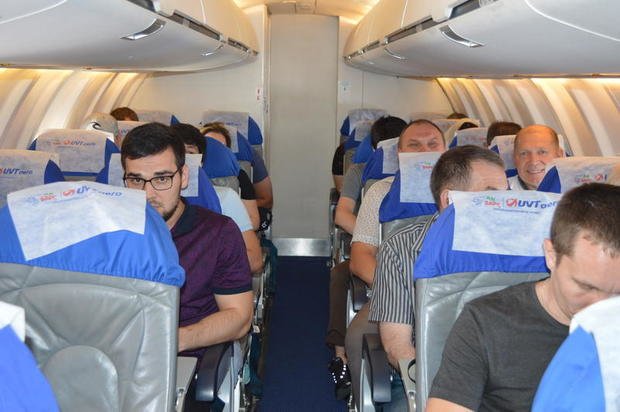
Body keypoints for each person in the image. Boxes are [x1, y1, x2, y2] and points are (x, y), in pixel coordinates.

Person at [427, 183, 620, 411]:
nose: (601, 306)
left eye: (617, 293)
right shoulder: (485, 323)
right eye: (585, 287)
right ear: (551, 255)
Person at [367, 145, 508, 409]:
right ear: (449, 199)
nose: (503, 205)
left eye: (506, 195)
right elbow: (397, 345)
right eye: (491, 195)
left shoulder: (519, 248)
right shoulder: (401, 247)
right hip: (428, 379)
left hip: (506, 381)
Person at [120, 122, 253, 365]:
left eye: (162, 179)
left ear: (184, 177)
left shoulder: (218, 233)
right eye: (136, 180)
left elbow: (239, 317)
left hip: (187, 360)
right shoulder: (111, 234)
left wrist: (174, 340)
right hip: (118, 355)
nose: (148, 194)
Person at [333, 119, 446, 405]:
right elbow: (360, 258)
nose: (424, 151)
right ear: (399, 153)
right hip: (393, 290)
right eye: (414, 145)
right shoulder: (381, 192)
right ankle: (361, 399)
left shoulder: (464, 194)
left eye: (432, 144)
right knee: (357, 336)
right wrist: (404, 290)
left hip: (450, 293)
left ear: (446, 151)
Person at [171, 123, 263, 274]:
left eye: (190, 153)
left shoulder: (225, 198)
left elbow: (254, 261)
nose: (184, 160)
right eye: (177, 152)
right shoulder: (152, 201)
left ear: (201, 162)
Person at [202, 122, 273, 227]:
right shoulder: (188, 175)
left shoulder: (240, 176)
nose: (215, 151)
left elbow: (254, 222)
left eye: (221, 148)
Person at [510, 124, 564, 190]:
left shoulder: (573, 188)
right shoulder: (501, 191)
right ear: (514, 158)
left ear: (559, 155)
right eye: (524, 154)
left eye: (542, 152)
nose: (533, 162)